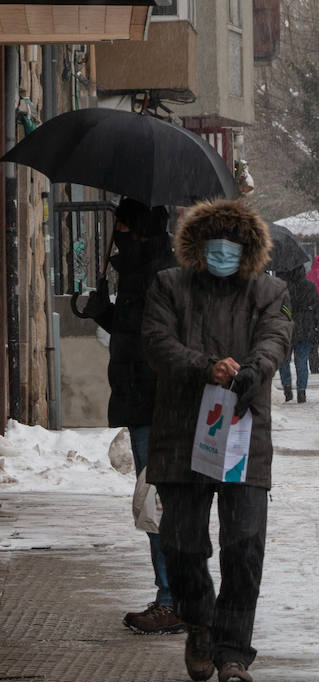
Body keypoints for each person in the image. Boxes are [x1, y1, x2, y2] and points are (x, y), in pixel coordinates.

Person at [142, 197, 291, 682]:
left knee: (243, 548)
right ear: (197, 247)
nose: (223, 254)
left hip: (245, 435)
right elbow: (157, 343)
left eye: (233, 246)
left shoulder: (269, 292)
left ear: (248, 250)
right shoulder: (169, 286)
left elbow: (275, 339)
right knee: (181, 546)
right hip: (181, 433)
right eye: (214, 245)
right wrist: (205, 366)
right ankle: (200, 623)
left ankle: (233, 651)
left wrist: (250, 371)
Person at [81, 198, 183, 634]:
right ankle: (175, 594)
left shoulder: (157, 271)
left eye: (123, 224)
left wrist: (119, 310)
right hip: (141, 399)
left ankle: (173, 598)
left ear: (141, 228)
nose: (116, 232)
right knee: (156, 501)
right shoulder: (139, 267)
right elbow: (133, 329)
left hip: (157, 403)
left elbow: (156, 336)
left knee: (158, 503)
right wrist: (104, 309)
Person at [278, 261, 319, 403]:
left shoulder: (283, 287)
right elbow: (316, 309)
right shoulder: (309, 286)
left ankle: (287, 387)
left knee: (284, 360)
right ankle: (302, 390)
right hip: (305, 328)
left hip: (286, 327)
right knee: (301, 361)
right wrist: (316, 325)